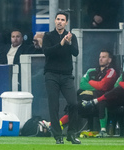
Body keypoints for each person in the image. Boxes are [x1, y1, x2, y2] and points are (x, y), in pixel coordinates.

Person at [42, 50, 118, 132]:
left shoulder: (111, 71)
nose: (100, 59)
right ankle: (57, 125)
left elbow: (103, 86)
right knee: (74, 105)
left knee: (88, 103)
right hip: (86, 99)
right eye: (100, 57)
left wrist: (90, 83)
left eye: (104, 57)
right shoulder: (91, 71)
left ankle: (103, 130)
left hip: (102, 99)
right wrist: (95, 86)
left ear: (109, 60)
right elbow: (82, 84)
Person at [82, 51, 124, 137]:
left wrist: (123, 84)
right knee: (104, 101)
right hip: (123, 96)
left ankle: (95, 101)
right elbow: (116, 85)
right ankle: (103, 131)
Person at [42, 11, 80, 144]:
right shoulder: (48, 36)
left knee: (74, 103)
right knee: (54, 105)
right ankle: (58, 136)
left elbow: (76, 53)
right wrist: (61, 44)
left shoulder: (71, 36)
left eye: (62, 20)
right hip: (51, 74)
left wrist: (68, 43)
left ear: (66, 22)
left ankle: (72, 133)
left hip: (66, 76)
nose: (59, 22)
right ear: (54, 21)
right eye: (58, 19)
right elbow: (47, 52)